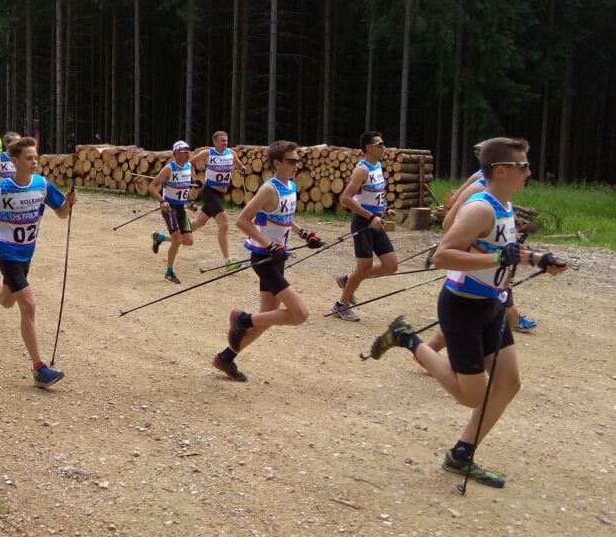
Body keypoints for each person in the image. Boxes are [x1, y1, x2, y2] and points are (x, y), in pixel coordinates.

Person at [366, 137, 567, 488]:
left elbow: (505, 249)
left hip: (492, 304)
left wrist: (538, 259)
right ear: (502, 170)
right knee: (471, 395)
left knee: (508, 383)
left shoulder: (504, 205)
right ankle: (406, 337)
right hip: (462, 308)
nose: (529, 172)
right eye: (523, 166)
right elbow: (442, 256)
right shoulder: (481, 208)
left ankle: (461, 454)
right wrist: (497, 259)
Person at [0, 136, 76, 388]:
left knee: (6, 300)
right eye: (29, 158)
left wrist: (68, 203)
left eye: (35, 158)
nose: (34, 162)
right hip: (6, 253)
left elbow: (62, 214)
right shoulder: (1, 189)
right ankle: (39, 368)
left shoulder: (42, 185)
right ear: (15, 161)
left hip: (26, 253)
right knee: (28, 305)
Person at [212, 140, 321, 382]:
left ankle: (226, 358)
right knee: (299, 314)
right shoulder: (268, 189)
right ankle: (242, 318)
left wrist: (304, 233)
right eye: (291, 161)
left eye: (297, 160)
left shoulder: (290, 186)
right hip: (265, 258)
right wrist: (268, 244)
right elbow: (242, 221)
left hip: (277, 256)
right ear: (277, 163)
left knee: (268, 317)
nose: (296, 164)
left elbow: (285, 218)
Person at [434, 141, 538, 334]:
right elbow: (449, 221)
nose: (527, 172)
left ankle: (426, 347)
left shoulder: (501, 193)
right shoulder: (478, 186)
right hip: (472, 275)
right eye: (522, 166)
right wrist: (470, 242)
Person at [331, 131, 398, 321]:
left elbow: (372, 195)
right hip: (363, 222)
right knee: (364, 268)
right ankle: (340, 306)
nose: (384, 147)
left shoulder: (377, 166)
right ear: (369, 148)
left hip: (375, 220)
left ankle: (347, 280)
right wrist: (370, 217)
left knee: (391, 265)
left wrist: (385, 209)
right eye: (381, 144)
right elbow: (345, 199)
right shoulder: (362, 169)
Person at [188, 130, 247, 271]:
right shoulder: (208, 153)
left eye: (226, 140)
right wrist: (195, 178)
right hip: (209, 192)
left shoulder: (231, 153)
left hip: (220, 194)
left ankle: (172, 234)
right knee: (224, 223)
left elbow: (239, 165)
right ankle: (228, 261)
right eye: (222, 140)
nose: (226, 143)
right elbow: (189, 163)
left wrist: (242, 169)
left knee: (200, 222)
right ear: (215, 141)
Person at [149, 140, 198, 284]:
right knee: (177, 239)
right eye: (184, 151)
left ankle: (160, 238)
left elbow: (185, 187)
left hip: (181, 208)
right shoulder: (169, 168)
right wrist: (162, 201)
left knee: (188, 241)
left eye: (188, 151)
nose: (187, 153)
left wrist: (190, 202)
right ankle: (169, 272)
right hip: (169, 208)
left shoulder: (189, 166)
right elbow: (152, 186)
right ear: (175, 154)